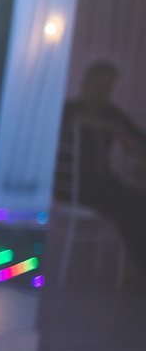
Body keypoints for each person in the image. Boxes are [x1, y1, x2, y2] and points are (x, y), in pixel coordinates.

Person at [55, 60, 146, 274]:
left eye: (108, 87)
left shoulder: (110, 112)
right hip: (74, 185)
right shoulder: (70, 108)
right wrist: (114, 129)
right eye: (97, 85)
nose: (102, 92)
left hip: (103, 181)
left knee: (137, 202)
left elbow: (137, 137)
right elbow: (74, 118)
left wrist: (131, 143)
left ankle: (134, 266)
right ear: (85, 84)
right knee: (129, 207)